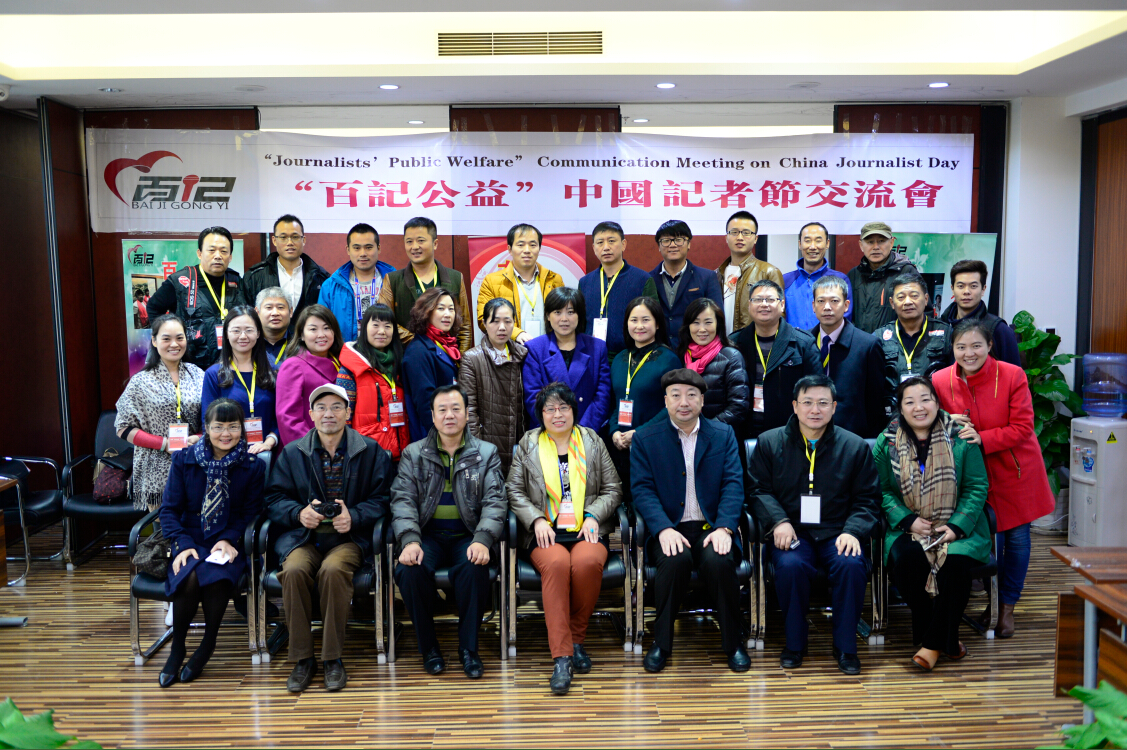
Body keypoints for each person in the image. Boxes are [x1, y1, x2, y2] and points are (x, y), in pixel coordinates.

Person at [746, 375, 881, 675]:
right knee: (790, 566)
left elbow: (868, 498)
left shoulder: (855, 446)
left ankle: (845, 647)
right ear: (795, 406)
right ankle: (795, 644)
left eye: (823, 403)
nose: (815, 410)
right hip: (792, 530)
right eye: (807, 402)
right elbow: (758, 491)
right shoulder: (769, 442)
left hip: (838, 531)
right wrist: (778, 521)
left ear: (834, 407)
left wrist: (853, 531)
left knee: (851, 565)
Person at [266, 383, 394, 693]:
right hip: (303, 537)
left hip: (349, 539)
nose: (329, 414)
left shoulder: (370, 450)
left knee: (333, 571)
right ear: (311, 415)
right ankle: (303, 658)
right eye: (321, 408)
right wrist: (299, 513)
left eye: (337, 407)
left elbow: (384, 499)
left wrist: (355, 516)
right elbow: (273, 498)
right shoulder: (293, 452)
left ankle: (332, 658)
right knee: (293, 570)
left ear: (348, 413)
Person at [933, 319, 1055, 638]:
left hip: (1015, 470)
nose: (969, 353)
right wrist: (945, 420)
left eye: (976, 346)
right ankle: (991, 598)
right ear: (952, 348)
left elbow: (1023, 427)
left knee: (1016, 539)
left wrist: (983, 437)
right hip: (972, 476)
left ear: (990, 345)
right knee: (983, 539)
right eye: (961, 347)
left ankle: (1006, 606)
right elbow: (927, 418)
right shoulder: (940, 379)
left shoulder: (1012, 375)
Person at [630, 369, 749, 673]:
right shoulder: (645, 437)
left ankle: (733, 642)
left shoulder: (722, 434)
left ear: (702, 400)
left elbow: (733, 484)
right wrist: (662, 529)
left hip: (712, 527)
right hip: (670, 527)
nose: (684, 402)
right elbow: (642, 490)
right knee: (674, 561)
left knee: (719, 560)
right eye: (676, 395)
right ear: (665, 401)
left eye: (692, 395)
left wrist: (725, 527)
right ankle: (661, 643)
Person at [507, 382, 622, 695]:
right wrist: (536, 519)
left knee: (587, 563)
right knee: (557, 565)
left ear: (573, 411)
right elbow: (513, 490)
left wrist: (594, 515)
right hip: (545, 532)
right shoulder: (529, 443)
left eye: (563, 407)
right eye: (550, 409)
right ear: (541, 414)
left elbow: (613, 488)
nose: (557, 414)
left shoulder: (592, 441)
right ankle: (562, 658)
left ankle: (575, 639)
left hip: (586, 529)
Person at [391, 385, 507, 679]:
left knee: (475, 567)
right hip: (427, 536)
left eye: (456, 409)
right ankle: (429, 648)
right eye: (442, 410)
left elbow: (495, 501)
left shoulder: (486, 453)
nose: (449, 415)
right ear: (432, 416)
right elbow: (403, 500)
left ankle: (469, 649)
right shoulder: (413, 453)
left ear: (467, 414)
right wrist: (410, 540)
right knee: (409, 570)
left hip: (468, 535)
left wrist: (483, 539)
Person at [875, 376, 990, 670]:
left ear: (937, 403)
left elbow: (977, 486)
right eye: (910, 402)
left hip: (957, 527)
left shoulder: (961, 437)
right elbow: (881, 489)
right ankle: (948, 640)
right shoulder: (887, 441)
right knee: (906, 562)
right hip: (909, 526)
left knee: (955, 566)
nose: (919, 407)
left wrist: (956, 526)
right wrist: (908, 520)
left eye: (925, 399)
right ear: (900, 408)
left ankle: (931, 644)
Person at [157, 398, 265, 687]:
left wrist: (229, 539)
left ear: (242, 429)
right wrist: (182, 543)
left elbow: (251, 513)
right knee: (189, 575)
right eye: (218, 427)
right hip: (189, 536)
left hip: (229, 538)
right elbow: (169, 510)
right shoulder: (184, 460)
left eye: (233, 427)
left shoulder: (252, 466)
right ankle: (178, 647)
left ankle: (208, 643)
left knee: (216, 575)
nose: (225, 434)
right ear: (206, 428)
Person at [115, 314, 204, 510]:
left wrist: (198, 437)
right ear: (154, 341)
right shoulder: (140, 381)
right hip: (155, 469)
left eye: (179, 338)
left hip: (194, 462)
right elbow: (123, 428)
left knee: (195, 523)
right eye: (166, 338)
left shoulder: (198, 374)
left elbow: (211, 420)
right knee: (163, 526)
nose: (174, 344)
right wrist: (165, 444)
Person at [608, 297, 682, 496]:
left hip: (654, 443)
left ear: (657, 324)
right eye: (634, 320)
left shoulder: (669, 360)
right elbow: (615, 402)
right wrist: (614, 431)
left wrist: (639, 433)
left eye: (645, 320)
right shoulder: (620, 359)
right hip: (620, 445)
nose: (639, 326)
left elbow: (672, 407)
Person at [146, 226, 248, 370]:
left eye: (223, 251)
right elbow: (153, 307)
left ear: (230, 256)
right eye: (211, 250)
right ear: (199, 253)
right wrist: (168, 339)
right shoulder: (180, 281)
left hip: (230, 364)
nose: (218, 256)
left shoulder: (236, 281)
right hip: (190, 366)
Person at [730, 279, 820, 439]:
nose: (764, 304)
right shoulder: (735, 343)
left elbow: (815, 391)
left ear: (782, 305)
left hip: (788, 432)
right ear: (749, 305)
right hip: (743, 430)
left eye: (770, 299)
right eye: (758, 299)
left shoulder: (803, 343)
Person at [522, 288, 612, 431]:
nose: (564, 319)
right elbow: (533, 397)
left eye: (570, 312)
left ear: (579, 315)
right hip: (548, 432)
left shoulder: (597, 347)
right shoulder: (535, 348)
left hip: (587, 432)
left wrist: (581, 432)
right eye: (557, 312)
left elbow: (602, 396)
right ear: (548, 316)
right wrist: (558, 431)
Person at [378, 216, 473, 352]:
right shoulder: (393, 280)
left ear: (435, 243)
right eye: (409, 241)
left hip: (448, 357)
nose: (414, 247)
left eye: (421, 241)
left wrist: (461, 360)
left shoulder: (455, 278)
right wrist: (422, 344)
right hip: (408, 357)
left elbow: (464, 327)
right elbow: (385, 320)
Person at [809, 276, 888, 438]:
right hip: (810, 432)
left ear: (846, 305)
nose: (827, 307)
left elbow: (875, 402)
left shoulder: (867, 345)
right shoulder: (804, 342)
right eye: (821, 301)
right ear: (813, 306)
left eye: (834, 301)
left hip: (852, 437)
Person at [459, 298, 528, 474]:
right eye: (495, 321)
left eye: (507, 321)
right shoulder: (472, 359)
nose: (502, 327)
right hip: (487, 444)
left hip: (520, 443)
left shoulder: (523, 355)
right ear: (484, 323)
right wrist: (477, 450)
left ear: (515, 323)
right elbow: (469, 410)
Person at [335, 303, 411, 461]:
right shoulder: (350, 368)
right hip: (367, 456)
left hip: (404, 454)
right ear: (364, 328)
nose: (382, 331)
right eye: (375, 325)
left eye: (387, 326)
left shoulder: (402, 363)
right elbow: (342, 416)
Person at [201, 306, 279, 456]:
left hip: (268, 452)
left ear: (258, 333)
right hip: (227, 455)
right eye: (236, 331)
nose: (243, 336)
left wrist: (269, 442)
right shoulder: (214, 374)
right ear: (226, 334)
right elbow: (208, 422)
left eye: (249, 330)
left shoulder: (272, 372)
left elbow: (280, 416)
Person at [577, 221, 658, 360]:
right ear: (594, 248)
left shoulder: (642, 279)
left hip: (630, 356)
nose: (606, 247)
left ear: (623, 244)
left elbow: (655, 320)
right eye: (600, 242)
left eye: (611, 241)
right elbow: (581, 322)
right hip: (592, 356)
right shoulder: (585, 282)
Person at [476, 223, 564, 344]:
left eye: (532, 245)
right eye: (520, 245)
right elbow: (484, 318)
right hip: (510, 349)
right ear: (510, 249)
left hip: (547, 349)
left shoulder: (554, 280)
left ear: (539, 248)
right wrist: (516, 334)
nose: (527, 250)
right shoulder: (491, 281)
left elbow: (563, 317)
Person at [243, 214, 329, 333]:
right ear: (274, 240)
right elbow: (247, 316)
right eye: (283, 237)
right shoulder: (254, 276)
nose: (290, 242)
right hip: (267, 342)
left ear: (303, 240)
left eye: (295, 237)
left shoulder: (320, 277)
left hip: (308, 341)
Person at [647, 220, 724, 349]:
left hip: (695, 350)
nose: (672, 245)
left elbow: (718, 318)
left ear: (689, 244)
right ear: (659, 246)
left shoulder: (707, 277)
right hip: (659, 351)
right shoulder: (648, 279)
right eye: (666, 240)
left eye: (679, 240)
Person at [874, 273, 953, 396]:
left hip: (934, 403)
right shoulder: (879, 337)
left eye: (914, 296)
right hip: (893, 406)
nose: (908, 302)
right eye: (901, 297)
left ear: (926, 299)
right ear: (892, 303)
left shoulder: (946, 332)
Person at [275, 305, 344, 446]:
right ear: (301, 334)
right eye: (313, 329)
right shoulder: (293, 366)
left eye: (326, 328)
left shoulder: (343, 362)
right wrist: (313, 447)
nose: (321, 335)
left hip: (341, 445)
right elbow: (288, 417)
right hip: (309, 448)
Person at [316, 222, 396, 344]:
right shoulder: (331, 286)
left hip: (386, 351)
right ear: (348, 250)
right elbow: (321, 326)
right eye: (357, 248)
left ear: (378, 248)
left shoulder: (394, 281)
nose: (363, 253)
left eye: (368, 247)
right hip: (344, 352)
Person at [675, 297, 748, 427]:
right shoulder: (681, 355)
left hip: (718, 434)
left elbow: (738, 406)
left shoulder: (731, 357)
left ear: (717, 324)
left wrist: (704, 429)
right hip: (683, 432)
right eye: (696, 323)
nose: (702, 329)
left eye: (708, 322)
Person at [401, 288, 462, 441]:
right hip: (432, 437)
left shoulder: (445, 344)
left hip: (450, 429)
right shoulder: (418, 351)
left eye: (451, 309)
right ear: (426, 312)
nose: (448, 314)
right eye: (441, 308)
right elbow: (425, 403)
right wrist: (442, 439)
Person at [939, 259, 1021, 367]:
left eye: (973, 286)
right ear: (952, 289)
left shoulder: (999, 329)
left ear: (983, 289)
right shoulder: (941, 326)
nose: (966, 291)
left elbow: (1014, 373)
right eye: (960, 286)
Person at [715, 210, 784, 335]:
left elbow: (779, 315)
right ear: (726, 237)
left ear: (756, 238)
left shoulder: (768, 272)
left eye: (746, 233)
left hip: (753, 341)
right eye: (734, 232)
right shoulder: (716, 274)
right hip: (721, 343)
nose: (740, 237)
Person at [846, 222, 920, 334]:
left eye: (881, 241)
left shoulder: (906, 272)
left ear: (891, 243)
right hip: (860, 343)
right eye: (870, 242)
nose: (876, 247)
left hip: (896, 344)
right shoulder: (853, 275)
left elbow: (922, 313)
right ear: (861, 245)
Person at [783, 221, 853, 332]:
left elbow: (845, 318)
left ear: (827, 243)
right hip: (792, 342)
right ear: (800, 244)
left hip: (827, 341)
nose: (812, 246)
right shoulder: (785, 280)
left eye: (818, 241)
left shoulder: (840, 280)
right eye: (807, 241)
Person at [255, 287, 293, 368]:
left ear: (291, 311)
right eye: (269, 307)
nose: (275, 313)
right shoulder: (249, 343)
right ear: (257, 312)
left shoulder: (300, 344)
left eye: (280, 307)